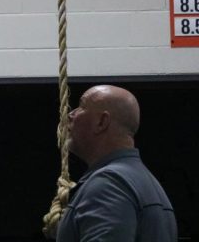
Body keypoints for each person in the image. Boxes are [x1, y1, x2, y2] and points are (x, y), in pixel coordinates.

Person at [56, 85, 177, 242]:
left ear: (101, 122)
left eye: (82, 106)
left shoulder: (108, 186)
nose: (70, 114)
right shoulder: (142, 182)